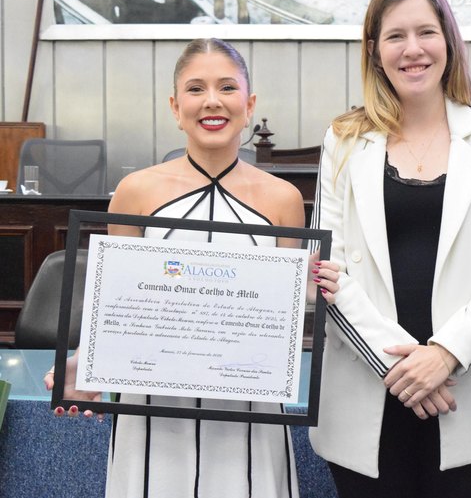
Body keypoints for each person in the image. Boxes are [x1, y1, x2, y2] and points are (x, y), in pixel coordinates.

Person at [44, 37, 339, 498]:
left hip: (250, 412)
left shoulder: (282, 199)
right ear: (175, 105)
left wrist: (317, 286)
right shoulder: (135, 191)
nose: (212, 101)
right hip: (153, 415)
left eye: (227, 87)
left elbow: (284, 309)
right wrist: (85, 366)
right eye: (196, 88)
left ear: (250, 102)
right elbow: (115, 305)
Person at [308, 0, 471, 498]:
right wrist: (405, 368)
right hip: (367, 391)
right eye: (395, 36)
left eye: (426, 32)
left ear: (449, 41)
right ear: (374, 50)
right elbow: (327, 269)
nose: (413, 50)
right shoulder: (342, 141)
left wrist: (444, 355)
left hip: (466, 390)